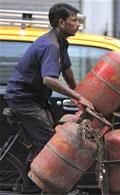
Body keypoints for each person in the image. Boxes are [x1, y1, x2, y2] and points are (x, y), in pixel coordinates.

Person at [4, 3, 94, 192]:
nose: (77, 24)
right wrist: (77, 96)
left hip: (35, 99)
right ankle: (49, 188)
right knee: (51, 143)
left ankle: (29, 184)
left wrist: (80, 96)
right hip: (24, 99)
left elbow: (67, 70)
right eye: (74, 20)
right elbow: (49, 80)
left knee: (41, 144)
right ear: (61, 22)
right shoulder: (51, 45)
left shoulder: (60, 42)